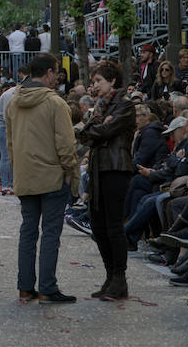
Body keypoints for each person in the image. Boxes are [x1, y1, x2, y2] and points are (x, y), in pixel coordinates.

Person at [6, 53, 80, 304]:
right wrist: (71, 172)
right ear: (48, 73)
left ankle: (25, 287)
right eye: (56, 73)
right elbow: (66, 144)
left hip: (26, 175)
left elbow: (10, 142)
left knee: (28, 231)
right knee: (50, 233)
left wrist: (18, 170)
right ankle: (48, 286)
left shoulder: (13, 102)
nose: (57, 78)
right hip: (52, 176)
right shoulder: (55, 103)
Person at [78, 60, 136, 301]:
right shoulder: (100, 107)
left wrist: (95, 132)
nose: (95, 86)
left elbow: (101, 132)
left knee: (113, 226)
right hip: (98, 168)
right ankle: (110, 276)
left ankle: (119, 279)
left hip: (116, 168)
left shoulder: (126, 105)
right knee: (98, 226)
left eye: (99, 81)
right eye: (93, 82)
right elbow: (88, 135)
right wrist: (95, 131)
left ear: (112, 80)